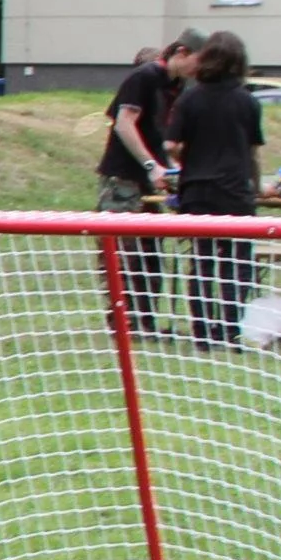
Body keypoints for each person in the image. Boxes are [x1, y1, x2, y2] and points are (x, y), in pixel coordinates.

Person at [96, 30, 206, 334]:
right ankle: (123, 323)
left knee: (150, 253)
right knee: (122, 254)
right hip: (123, 180)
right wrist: (150, 165)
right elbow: (124, 123)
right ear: (182, 52)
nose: (200, 71)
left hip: (151, 182)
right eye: (198, 61)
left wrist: (173, 168)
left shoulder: (179, 86)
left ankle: (145, 321)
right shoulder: (144, 77)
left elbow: (162, 136)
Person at [166, 30, 264, 350]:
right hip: (236, 192)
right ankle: (231, 329)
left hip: (198, 191)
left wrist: (190, 156)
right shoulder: (248, 101)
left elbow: (171, 145)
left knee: (202, 261)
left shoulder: (190, 99)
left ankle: (203, 332)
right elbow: (252, 152)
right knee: (237, 263)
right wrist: (257, 188)